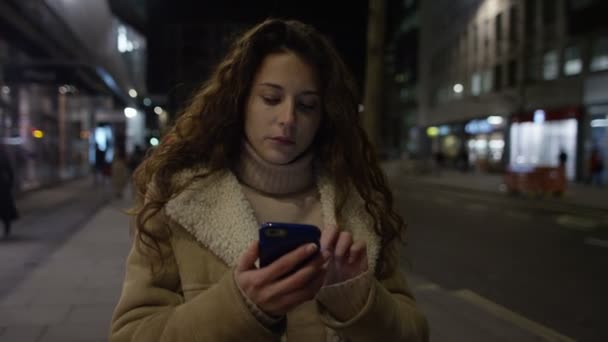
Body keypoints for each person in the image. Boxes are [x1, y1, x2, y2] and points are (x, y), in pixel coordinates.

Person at [110, 19, 428, 341]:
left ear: (323, 116)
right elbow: (131, 334)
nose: (288, 119)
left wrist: (358, 299)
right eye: (271, 99)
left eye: (306, 105)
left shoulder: (359, 204)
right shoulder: (179, 199)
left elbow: (413, 332)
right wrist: (242, 307)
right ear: (241, 100)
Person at [0, 144, 18, 238]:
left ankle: (7, 229)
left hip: (2, 186)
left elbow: (9, 171)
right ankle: (7, 229)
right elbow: (10, 171)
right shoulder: (4, 155)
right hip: (3, 186)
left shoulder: (3, 155)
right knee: (5, 210)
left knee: (4, 209)